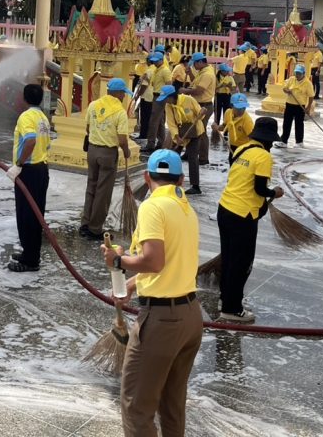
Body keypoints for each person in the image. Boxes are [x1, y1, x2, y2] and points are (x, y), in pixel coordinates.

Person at [101, 149, 202, 436]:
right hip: (190, 317)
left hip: (162, 322)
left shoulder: (152, 207)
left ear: (147, 177)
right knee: (172, 405)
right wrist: (132, 285)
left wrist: (118, 261)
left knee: (136, 407)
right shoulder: (186, 209)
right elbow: (170, 263)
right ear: (181, 180)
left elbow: (154, 261)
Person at [217, 117, 284, 323]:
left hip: (225, 208)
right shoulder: (263, 156)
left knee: (228, 258)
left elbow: (240, 180)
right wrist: (275, 192)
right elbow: (260, 189)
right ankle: (232, 309)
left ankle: (225, 298)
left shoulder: (241, 149)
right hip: (242, 216)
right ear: (269, 140)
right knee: (241, 263)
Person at [7, 84, 52, 272]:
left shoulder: (26, 117)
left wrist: (19, 164)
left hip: (29, 171)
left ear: (24, 98)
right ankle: (30, 253)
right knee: (35, 214)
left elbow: (31, 141)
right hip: (41, 169)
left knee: (27, 216)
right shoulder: (43, 117)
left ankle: (31, 260)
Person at [81, 77, 133, 240]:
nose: (124, 96)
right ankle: (95, 228)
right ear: (118, 93)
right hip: (108, 154)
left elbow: (88, 127)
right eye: (123, 93)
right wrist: (126, 151)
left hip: (92, 151)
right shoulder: (119, 112)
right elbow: (122, 139)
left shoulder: (93, 105)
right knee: (103, 192)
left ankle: (85, 223)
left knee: (91, 187)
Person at [160, 84, 206, 194]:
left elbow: (200, 114)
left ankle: (195, 186)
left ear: (172, 96)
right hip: (180, 133)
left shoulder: (189, 100)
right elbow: (171, 123)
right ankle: (166, 180)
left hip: (194, 131)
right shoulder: (168, 106)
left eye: (166, 98)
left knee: (192, 158)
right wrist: (176, 137)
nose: (165, 101)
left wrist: (202, 113)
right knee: (172, 155)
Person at [180, 51, 215, 164]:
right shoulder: (202, 71)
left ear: (200, 62)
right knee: (191, 129)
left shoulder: (207, 74)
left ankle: (203, 157)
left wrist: (185, 91)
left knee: (201, 131)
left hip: (204, 106)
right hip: (197, 104)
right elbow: (195, 82)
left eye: (194, 63)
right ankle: (189, 153)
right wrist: (190, 73)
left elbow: (199, 90)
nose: (193, 66)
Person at [274, 64, 314, 148]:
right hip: (289, 104)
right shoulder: (291, 79)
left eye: (299, 73)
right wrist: (287, 90)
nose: (297, 75)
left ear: (303, 73)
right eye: (296, 73)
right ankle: (284, 141)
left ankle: (299, 142)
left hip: (300, 106)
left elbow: (311, 96)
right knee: (286, 123)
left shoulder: (308, 83)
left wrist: (308, 107)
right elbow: (284, 88)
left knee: (299, 124)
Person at [212, 92, 254, 164]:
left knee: (241, 168)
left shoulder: (247, 120)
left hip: (244, 148)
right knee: (232, 164)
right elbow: (225, 126)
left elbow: (252, 138)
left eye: (243, 107)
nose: (241, 110)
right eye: (239, 108)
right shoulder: (228, 113)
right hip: (232, 146)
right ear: (232, 106)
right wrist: (217, 127)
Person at [143, 51, 172, 153]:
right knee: (159, 121)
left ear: (161, 60)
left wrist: (164, 96)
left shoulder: (165, 71)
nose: (154, 63)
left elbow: (169, 84)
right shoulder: (156, 70)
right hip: (156, 95)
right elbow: (153, 83)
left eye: (156, 61)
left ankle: (150, 144)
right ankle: (161, 143)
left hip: (160, 96)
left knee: (153, 121)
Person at [137, 53, 157, 141]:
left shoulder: (148, 71)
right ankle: (149, 134)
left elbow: (144, 85)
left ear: (149, 61)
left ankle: (143, 134)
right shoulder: (156, 70)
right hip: (153, 96)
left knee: (144, 117)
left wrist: (138, 95)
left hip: (146, 96)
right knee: (150, 116)